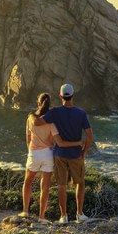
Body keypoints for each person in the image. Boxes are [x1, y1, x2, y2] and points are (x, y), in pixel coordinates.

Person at [34, 83, 93, 224]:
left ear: (60, 96)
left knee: (61, 185)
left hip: (60, 154)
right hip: (76, 155)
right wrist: (84, 152)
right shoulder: (81, 113)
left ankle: (63, 216)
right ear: (73, 95)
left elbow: (37, 122)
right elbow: (90, 136)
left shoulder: (54, 112)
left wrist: (40, 109)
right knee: (80, 184)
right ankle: (79, 214)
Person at [20, 93, 82, 222]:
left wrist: (31, 151)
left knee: (28, 182)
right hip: (48, 154)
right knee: (45, 187)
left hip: (34, 153)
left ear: (38, 103)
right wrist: (78, 143)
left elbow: (28, 138)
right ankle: (42, 216)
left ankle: (25, 211)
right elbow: (59, 142)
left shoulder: (30, 118)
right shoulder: (51, 122)